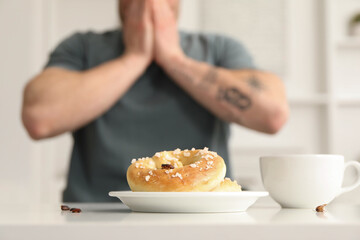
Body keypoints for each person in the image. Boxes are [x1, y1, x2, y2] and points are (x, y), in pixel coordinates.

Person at [22, 0, 289, 202]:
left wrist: (173, 59)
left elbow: (273, 114)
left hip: (201, 214)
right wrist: (135, 58)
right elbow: (39, 118)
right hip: (94, 213)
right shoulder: (82, 48)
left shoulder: (218, 49)